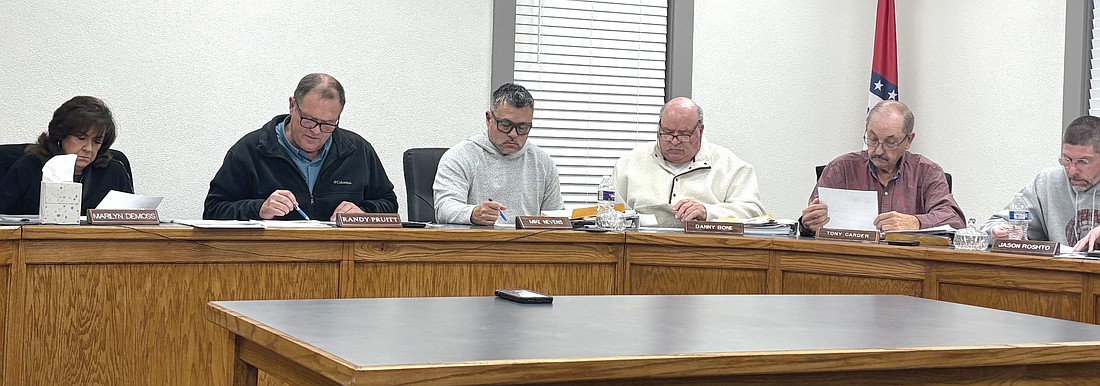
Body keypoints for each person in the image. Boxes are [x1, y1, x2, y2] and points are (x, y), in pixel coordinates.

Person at [204, 73, 397, 220]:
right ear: (292, 105)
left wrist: (363, 213)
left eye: (328, 124)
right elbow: (213, 210)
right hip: (270, 258)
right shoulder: (251, 150)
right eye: (309, 120)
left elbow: (389, 203)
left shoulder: (357, 151)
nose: (316, 131)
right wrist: (259, 208)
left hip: (341, 257)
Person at [800, 100, 964, 234]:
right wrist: (808, 223)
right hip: (848, 260)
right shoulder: (840, 169)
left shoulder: (927, 172)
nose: (878, 150)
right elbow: (810, 222)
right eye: (872, 139)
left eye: (890, 142)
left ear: (908, 140)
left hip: (907, 261)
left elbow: (954, 220)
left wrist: (916, 222)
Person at [611, 97, 766, 227]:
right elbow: (609, 213)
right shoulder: (629, 164)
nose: (674, 141)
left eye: (684, 134)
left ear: (700, 130)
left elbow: (754, 212)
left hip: (706, 250)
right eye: (667, 133)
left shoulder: (730, 166)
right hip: (640, 249)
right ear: (659, 128)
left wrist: (708, 212)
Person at [433, 83, 564, 225]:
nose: (513, 134)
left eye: (522, 127)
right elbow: (444, 209)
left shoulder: (543, 163)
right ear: (489, 119)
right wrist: (472, 213)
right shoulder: (460, 156)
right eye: (505, 125)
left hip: (528, 239)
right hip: (478, 239)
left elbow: (556, 217)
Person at [983, 115, 1100, 251]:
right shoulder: (1048, 182)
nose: (1072, 170)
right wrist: (998, 232)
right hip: (1059, 263)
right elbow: (991, 226)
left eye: (1083, 162)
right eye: (1066, 160)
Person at [0, 96, 133, 214]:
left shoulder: (113, 172)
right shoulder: (28, 167)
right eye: (81, 138)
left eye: (96, 142)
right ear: (61, 135)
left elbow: (132, 223)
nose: (88, 148)